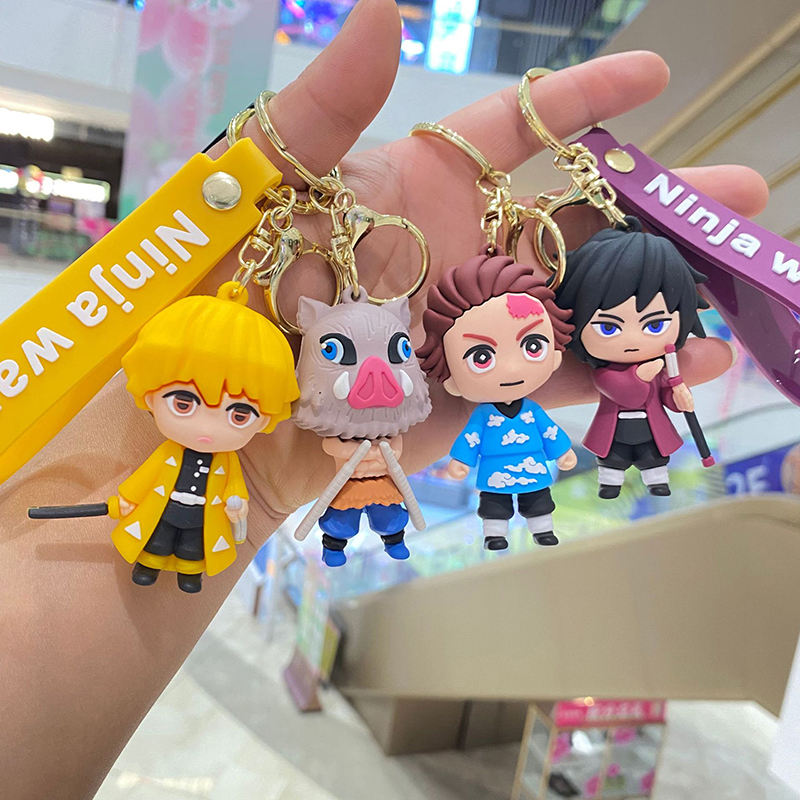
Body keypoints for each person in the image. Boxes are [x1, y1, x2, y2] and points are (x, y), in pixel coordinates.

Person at [0, 0, 765, 795]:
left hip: (420, 460)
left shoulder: (472, 390)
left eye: (532, 346)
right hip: (259, 476)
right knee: (332, 517)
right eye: (484, 352)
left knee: (413, 506)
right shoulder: (282, 415)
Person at [112, 285, 298, 592]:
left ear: (265, 419)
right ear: (150, 395)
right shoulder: (169, 452)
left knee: (193, 547)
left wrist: (238, 502)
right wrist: (128, 499)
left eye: (239, 415)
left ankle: (189, 573)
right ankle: (148, 564)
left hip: (202, 516)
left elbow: (234, 485)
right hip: (166, 509)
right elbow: (146, 476)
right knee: (157, 539)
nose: (207, 429)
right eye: (183, 404)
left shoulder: (227, 461)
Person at [418, 249, 576, 549]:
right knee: (494, 505)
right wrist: (461, 461)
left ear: (555, 354)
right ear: (451, 380)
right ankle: (494, 534)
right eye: (481, 357)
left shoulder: (532, 411)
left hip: (533, 470)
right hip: (494, 474)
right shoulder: (483, 416)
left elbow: (550, 432)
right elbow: (470, 438)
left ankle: (543, 530)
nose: (511, 368)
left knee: (539, 501)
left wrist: (562, 451)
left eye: (532, 345)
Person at [554, 218, 707, 498]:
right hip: (614, 427)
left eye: (655, 325)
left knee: (653, 456)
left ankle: (657, 481)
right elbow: (623, 391)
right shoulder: (605, 372)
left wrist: (678, 398)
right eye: (608, 327)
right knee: (613, 458)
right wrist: (642, 375)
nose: (633, 340)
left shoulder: (662, 367)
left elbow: (665, 395)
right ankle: (610, 484)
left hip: (651, 427)